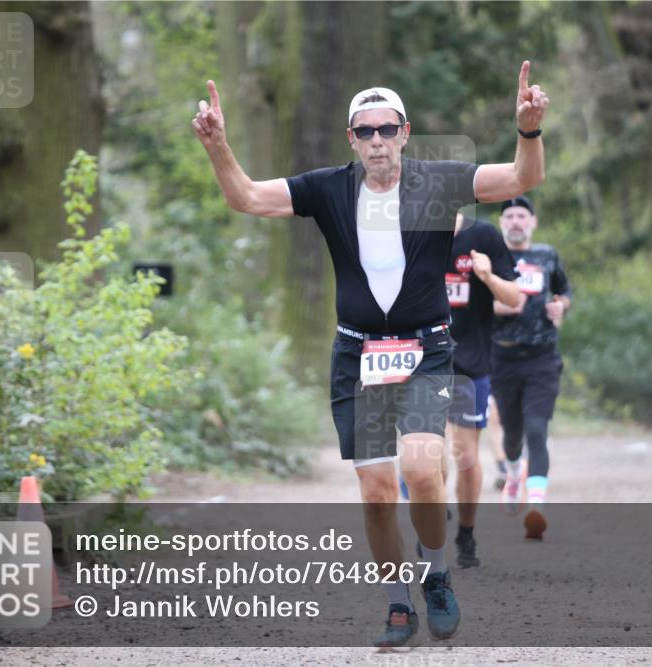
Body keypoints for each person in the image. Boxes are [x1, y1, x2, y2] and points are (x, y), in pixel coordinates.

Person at [192, 62, 548, 646]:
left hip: (426, 349)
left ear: (405, 133)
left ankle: (436, 574)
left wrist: (528, 129)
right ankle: (397, 604)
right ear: (351, 139)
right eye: (365, 131)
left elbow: (520, 177)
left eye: (386, 129)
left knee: (421, 470)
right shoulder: (328, 187)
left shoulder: (439, 182)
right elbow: (248, 197)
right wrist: (218, 147)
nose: (377, 140)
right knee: (378, 493)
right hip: (358, 355)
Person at [490, 195, 571, 541]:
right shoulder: (491, 258)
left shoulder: (547, 255)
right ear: (501, 224)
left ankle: (536, 506)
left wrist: (561, 306)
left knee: (537, 429)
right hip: (502, 358)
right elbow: (472, 304)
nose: (515, 221)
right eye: (509, 216)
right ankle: (513, 474)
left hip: (542, 358)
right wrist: (498, 307)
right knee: (511, 436)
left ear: (533, 222)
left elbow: (564, 291)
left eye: (522, 216)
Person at [445, 212, 521, 568]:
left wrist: (487, 276)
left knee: (465, 457)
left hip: (468, 362)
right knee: (424, 454)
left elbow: (514, 298)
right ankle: (430, 523)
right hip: (420, 360)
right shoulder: (406, 230)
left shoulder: (483, 235)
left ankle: (466, 532)